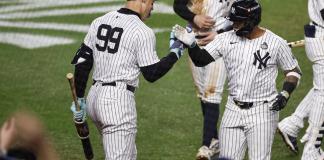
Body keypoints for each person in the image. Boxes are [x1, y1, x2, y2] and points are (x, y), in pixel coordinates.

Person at [172, 0, 302, 159]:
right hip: (232, 110)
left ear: (251, 21)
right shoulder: (225, 38)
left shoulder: (276, 43)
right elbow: (200, 60)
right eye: (233, 21)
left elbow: (293, 71)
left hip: (262, 112)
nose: (234, 25)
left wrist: (285, 94)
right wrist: (191, 44)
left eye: (238, 22)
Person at [69, 0, 186, 159]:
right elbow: (151, 73)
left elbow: (83, 63)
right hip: (117, 104)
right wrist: (176, 51)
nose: (152, 7)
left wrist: (80, 100)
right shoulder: (142, 31)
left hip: (94, 98)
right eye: (152, 2)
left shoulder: (100, 21)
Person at [173, 0, 233, 159]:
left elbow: (241, 12)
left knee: (212, 93)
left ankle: (206, 146)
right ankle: (214, 141)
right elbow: (178, 5)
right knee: (202, 95)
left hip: (219, 43)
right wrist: (194, 17)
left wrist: (219, 32)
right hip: (194, 42)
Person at [277, 0, 324, 159]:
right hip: (321, 38)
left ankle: (292, 125)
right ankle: (311, 149)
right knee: (323, 94)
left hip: (317, 32)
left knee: (322, 89)